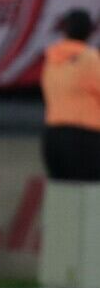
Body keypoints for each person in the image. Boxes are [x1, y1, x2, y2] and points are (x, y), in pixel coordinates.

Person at [40, 9, 100, 181]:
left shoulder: (51, 61)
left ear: (64, 31)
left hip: (52, 138)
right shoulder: (90, 59)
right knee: (89, 198)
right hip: (85, 139)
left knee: (63, 196)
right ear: (91, 32)